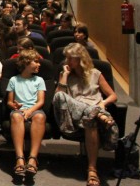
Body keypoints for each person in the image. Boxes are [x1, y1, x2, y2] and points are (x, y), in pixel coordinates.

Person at [53, 43, 118, 186]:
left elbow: (113, 96)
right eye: (67, 58)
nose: (68, 62)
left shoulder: (96, 74)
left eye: (72, 58)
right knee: (59, 97)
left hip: (92, 114)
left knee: (90, 119)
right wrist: (64, 76)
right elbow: (59, 98)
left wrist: (101, 105)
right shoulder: (66, 75)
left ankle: (92, 169)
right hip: (73, 118)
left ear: (81, 59)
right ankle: (97, 114)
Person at [6, 49, 46, 182]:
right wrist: (15, 106)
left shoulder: (39, 80)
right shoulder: (13, 80)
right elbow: (10, 102)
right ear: (26, 63)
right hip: (20, 110)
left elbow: (41, 101)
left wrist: (30, 111)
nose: (39, 64)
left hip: (34, 109)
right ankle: (19, 159)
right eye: (36, 61)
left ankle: (33, 159)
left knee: (39, 117)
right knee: (16, 116)